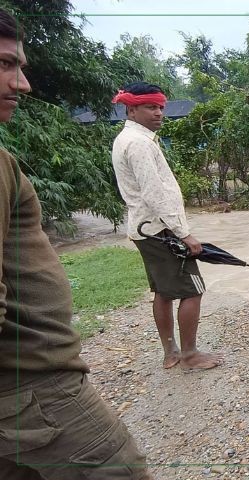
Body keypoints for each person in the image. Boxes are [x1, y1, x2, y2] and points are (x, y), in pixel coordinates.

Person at [0, 10, 153, 479]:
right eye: (7, 64)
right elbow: (155, 195)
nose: (22, 84)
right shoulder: (137, 144)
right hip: (36, 388)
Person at [111, 81, 222, 371]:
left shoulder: (130, 139)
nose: (159, 112)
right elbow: (154, 193)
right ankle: (190, 355)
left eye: (160, 107)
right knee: (192, 290)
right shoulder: (138, 144)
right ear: (131, 110)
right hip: (161, 231)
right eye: (150, 107)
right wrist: (184, 234)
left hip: (144, 229)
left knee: (162, 291)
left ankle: (170, 352)